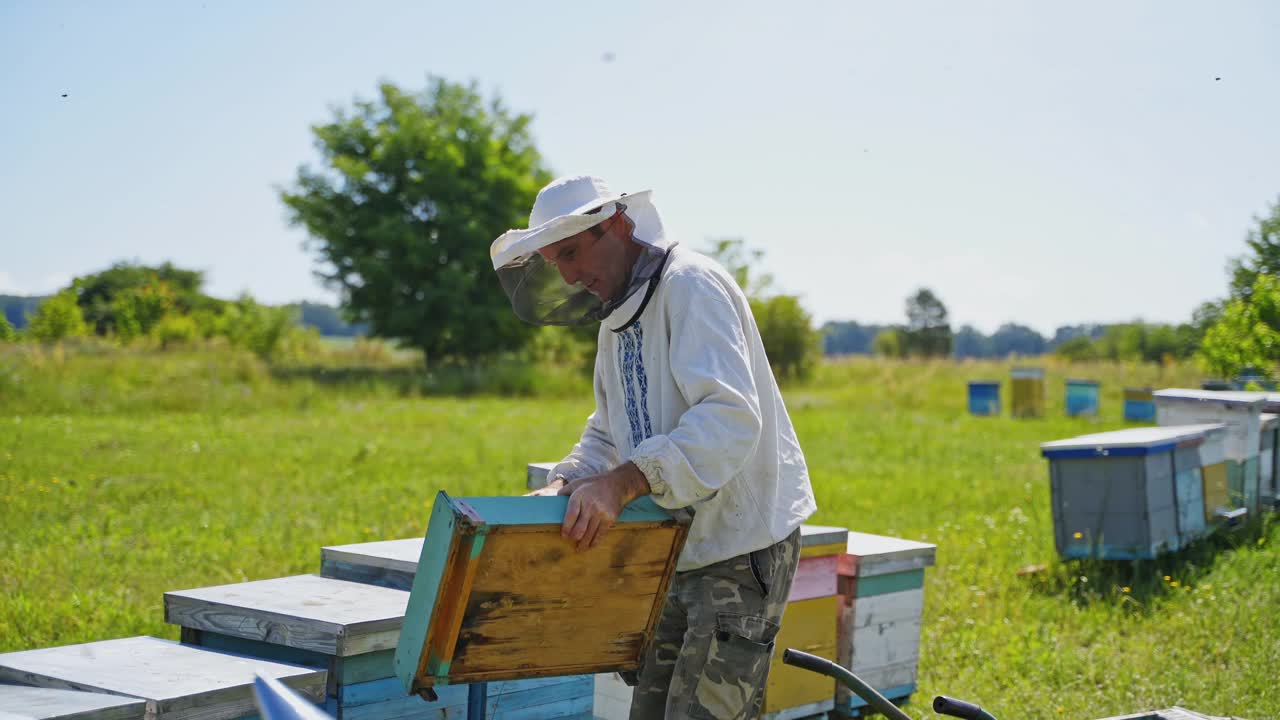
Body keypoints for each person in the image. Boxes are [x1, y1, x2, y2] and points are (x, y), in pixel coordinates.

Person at [491, 175, 816, 719]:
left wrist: (623, 482)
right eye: (555, 262)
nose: (569, 275)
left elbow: (730, 418)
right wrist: (562, 483)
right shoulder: (617, 313)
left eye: (571, 253)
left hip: (738, 548)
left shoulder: (692, 285)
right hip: (673, 547)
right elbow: (608, 427)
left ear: (616, 225)